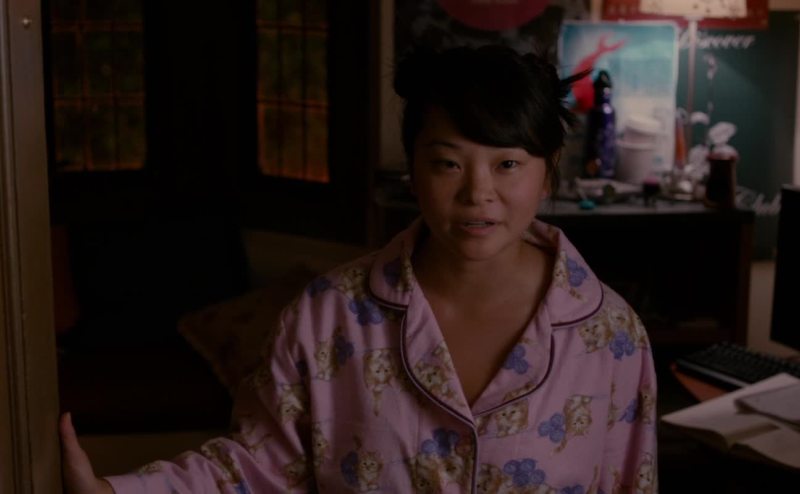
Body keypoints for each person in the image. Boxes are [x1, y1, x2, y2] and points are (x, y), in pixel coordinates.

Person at [61, 45, 658, 494]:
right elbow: (257, 466)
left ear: (548, 172)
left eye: (507, 164)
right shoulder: (328, 317)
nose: (478, 193)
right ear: (413, 170)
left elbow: (632, 480)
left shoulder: (609, 335)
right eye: (448, 163)